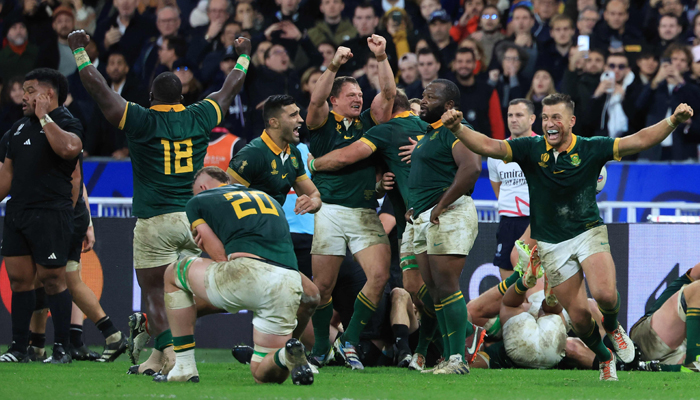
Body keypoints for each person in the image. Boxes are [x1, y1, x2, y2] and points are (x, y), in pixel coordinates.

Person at [444, 92, 694, 380]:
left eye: (556, 117)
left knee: (605, 295)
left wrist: (673, 121)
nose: (550, 123)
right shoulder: (530, 148)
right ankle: (604, 357)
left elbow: (637, 140)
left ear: (571, 121)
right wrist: (457, 129)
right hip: (551, 243)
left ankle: (613, 326)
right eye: (546, 117)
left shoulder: (591, 148)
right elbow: (490, 146)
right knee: (578, 316)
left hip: (588, 232)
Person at [67, 29, 251, 375]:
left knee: (154, 291)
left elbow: (100, 90)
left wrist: (79, 51)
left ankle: (171, 355)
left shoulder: (140, 118)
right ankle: (162, 356)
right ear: (182, 96)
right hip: (192, 217)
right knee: (188, 290)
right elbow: (230, 88)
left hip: (155, 221)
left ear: (151, 96)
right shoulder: (200, 115)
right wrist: (244, 54)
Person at [153, 166, 313, 384]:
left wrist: (207, 241)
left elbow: (220, 257)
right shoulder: (266, 197)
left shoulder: (199, 201)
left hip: (246, 274)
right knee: (262, 373)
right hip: (288, 280)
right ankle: (286, 355)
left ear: (201, 187)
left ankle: (183, 367)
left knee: (173, 273)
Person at [305, 36, 396, 370]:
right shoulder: (321, 123)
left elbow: (388, 94)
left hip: (363, 212)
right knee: (322, 287)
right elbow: (314, 102)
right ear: (335, 100)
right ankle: (319, 349)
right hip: (328, 210)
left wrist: (382, 56)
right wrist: (333, 65)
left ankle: (350, 341)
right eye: (352, 95)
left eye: (360, 95)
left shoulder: (369, 123)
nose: (358, 99)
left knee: (379, 276)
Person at [0, 68, 83, 364]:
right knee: (19, 280)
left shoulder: (67, 122)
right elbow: (6, 174)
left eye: (30, 90)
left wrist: (45, 117)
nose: (24, 97)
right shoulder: (17, 129)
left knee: (52, 279)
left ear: (48, 95)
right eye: (24, 90)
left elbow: (69, 150)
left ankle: (61, 347)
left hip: (51, 212)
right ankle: (19, 348)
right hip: (18, 213)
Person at [228, 94, 322, 342]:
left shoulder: (292, 155)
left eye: (299, 114)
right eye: (293, 115)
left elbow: (313, 194)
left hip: (276, 240)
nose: (300, 120)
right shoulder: (252, 155)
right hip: (252, 243)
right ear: (273, 122)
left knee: (309, 297)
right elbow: (223, 200)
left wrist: (312, 202)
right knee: (304, 296)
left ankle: (285, 350)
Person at [405, 79, 484, 375]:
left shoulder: (458, 131)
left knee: (447, 287)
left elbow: (472, 169)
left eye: (430, 96)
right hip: (427, 215)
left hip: (449, 213)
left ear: (449, 105)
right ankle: (455, 352)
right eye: (423, 95)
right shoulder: (430, 133)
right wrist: (418, 205)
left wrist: (440, 204)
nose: (423, 100)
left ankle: (457, 359)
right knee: (435, 292)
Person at [488, 99, 536, 281]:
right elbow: (498, 189)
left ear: (532, 118)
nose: (513, 119)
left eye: (519, 115)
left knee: (537, 278)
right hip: (508, 221)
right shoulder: (497, 152)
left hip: (536, 221)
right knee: (508, 282)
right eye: (510, 115)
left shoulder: (543, 147)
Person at [629, 263, 700, 372]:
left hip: (679, 353)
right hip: (648, 339)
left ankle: (660, 367)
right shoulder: (694, 278)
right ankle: (695, 362)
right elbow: (696, 272)